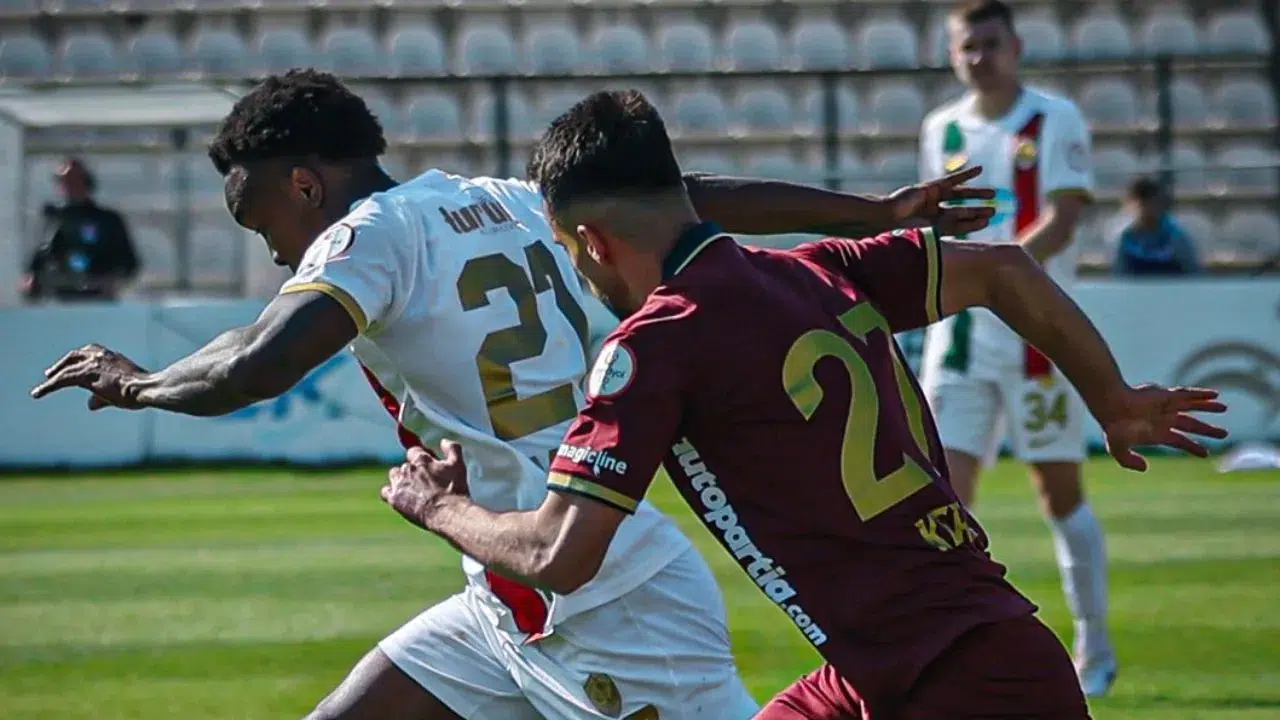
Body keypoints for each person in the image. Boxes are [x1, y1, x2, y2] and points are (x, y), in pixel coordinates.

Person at [29, 70, 996, 720]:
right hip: (504, 587)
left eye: (262, 222)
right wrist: (870, 209)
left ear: (306, 185)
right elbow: (686, 195)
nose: (275, 251)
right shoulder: (499, 197)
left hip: (602, 593)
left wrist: (137, 386)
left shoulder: (366, 238)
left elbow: (254, 366)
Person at [375, 90, 1228, 719]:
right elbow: (1004, 270)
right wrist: (1112, 399)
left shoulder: (655, 344)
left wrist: (439, 506)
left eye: (570, 253)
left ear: (592, 241)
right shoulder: (819, 270)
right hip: (904, 668)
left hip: (958, 680)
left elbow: (558, 553)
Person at [917, 0, 1118, 695]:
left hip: (1038, 342)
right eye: (967, 46)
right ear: (953, 54)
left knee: (1058, 493)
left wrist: (999, 279)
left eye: (990, 43)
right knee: (943, 499)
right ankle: (953, 654)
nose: (979, 57)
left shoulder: (1054, 119)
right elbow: (935, 228)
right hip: (960, 339)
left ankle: (1094, 646)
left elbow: (1063, 218)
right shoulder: (941, 129)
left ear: (1016, 46)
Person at [22, 157, 139, 302]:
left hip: (98, 299)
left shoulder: (107, 220)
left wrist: (112, 281)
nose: (68, 187)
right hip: (60, 299)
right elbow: (40, 257)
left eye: (73, 180)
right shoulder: (54, 219)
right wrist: (32, 280)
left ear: (86, 182)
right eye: (63, 181)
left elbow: (129, 263)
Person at [1113, 176, 1200, 275]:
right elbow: (1119, 275)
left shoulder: (1177, 235)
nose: (1146, 208)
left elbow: (1193, 273)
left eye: (1151, 202)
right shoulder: (1123, 237)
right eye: (1141, 202)